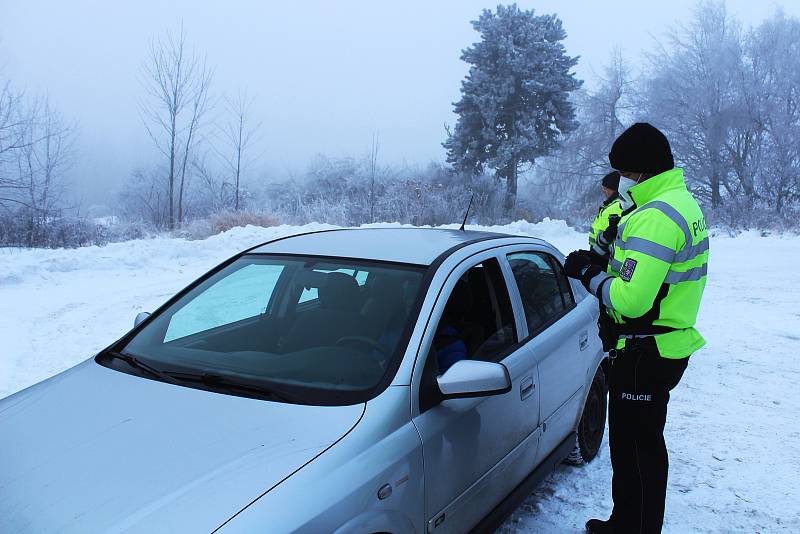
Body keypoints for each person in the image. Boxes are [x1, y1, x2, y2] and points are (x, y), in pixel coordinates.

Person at [563, 123, 709, 534]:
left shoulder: (657, 217)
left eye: (625, 172)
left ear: (641, 171)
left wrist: (589, 273)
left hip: (647, 350)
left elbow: (631, 299)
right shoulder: (678, 203)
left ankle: (637, 528)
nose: (621, 181)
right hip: (660, 344)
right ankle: (625, 521)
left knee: (640, 451)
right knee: (628, 446)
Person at [589, 171, 623, 259]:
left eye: (606, 188)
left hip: (605, 254)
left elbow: (611, 235)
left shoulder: (617, 206)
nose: (603, 191)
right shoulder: (611, 205)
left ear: (614, 188)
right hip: (599, 250)